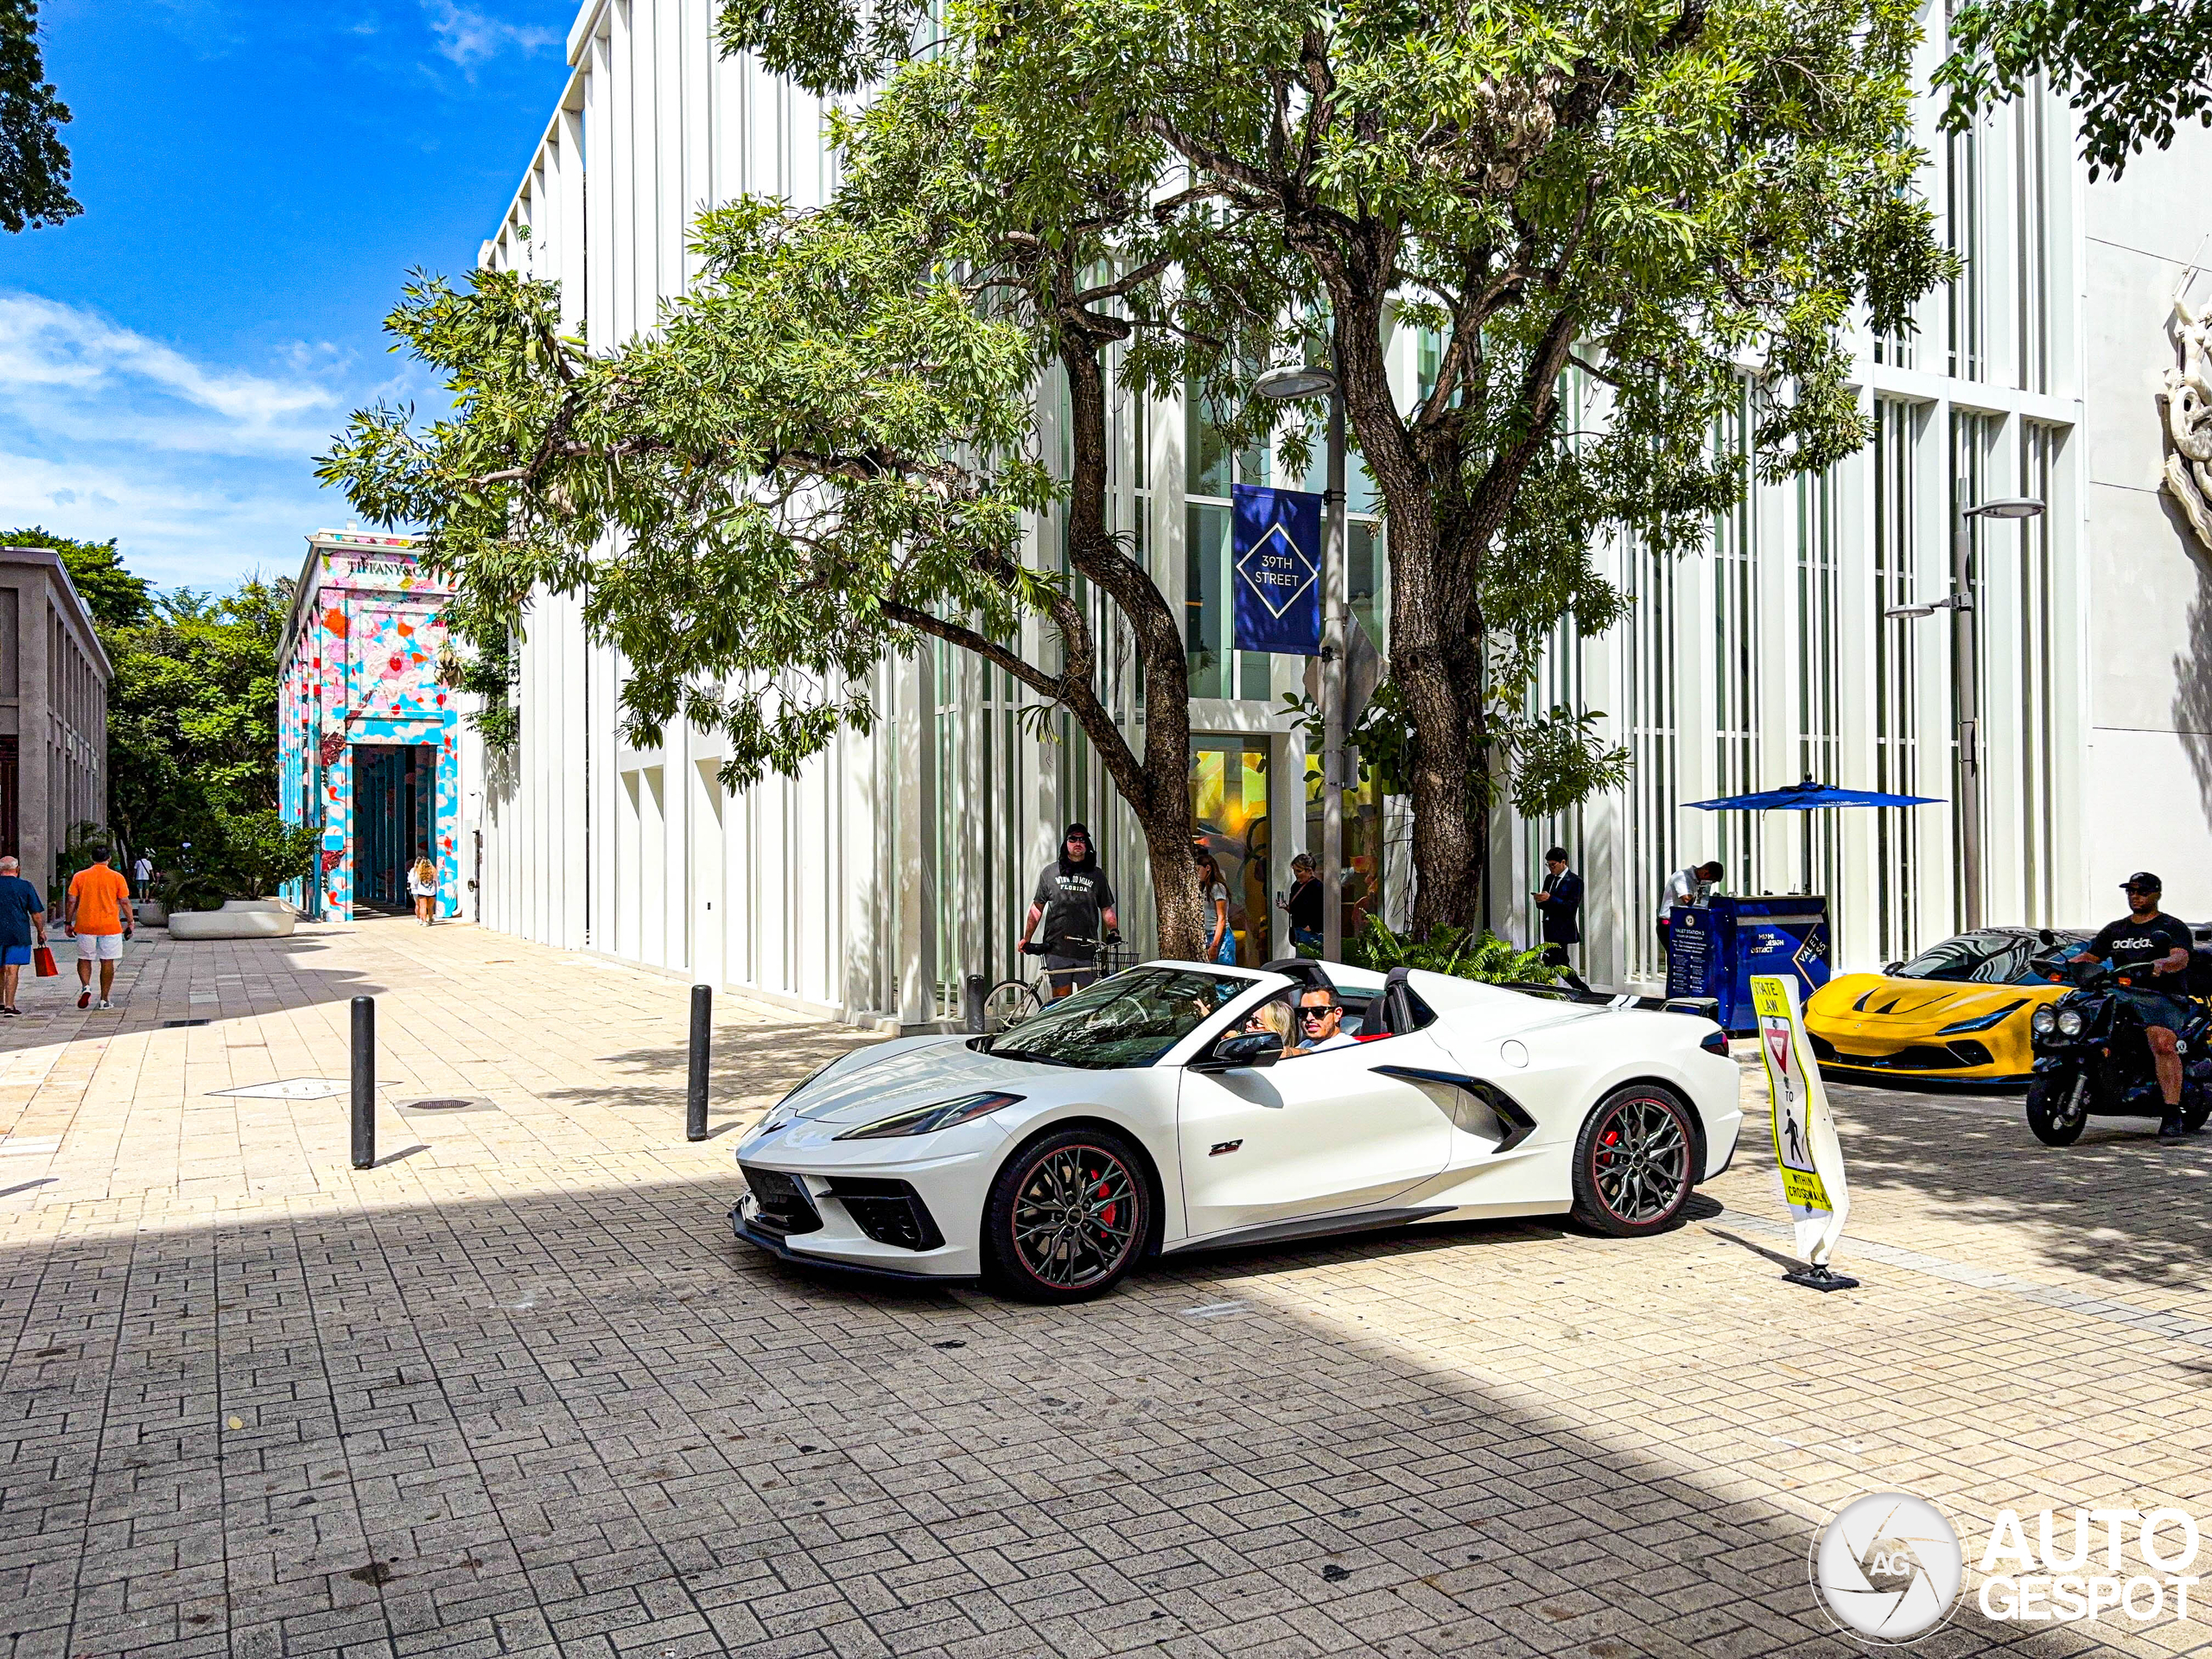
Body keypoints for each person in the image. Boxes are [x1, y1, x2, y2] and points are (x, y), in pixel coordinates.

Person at [2079, 871, 2196, 1139]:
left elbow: (2180, 957)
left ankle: (2172, 1111)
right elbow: (2091, 956)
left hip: (2162, 996)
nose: (2135, 896)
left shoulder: (2172, 927)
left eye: (2142, 891)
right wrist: (2065, 965)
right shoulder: (2116, 929)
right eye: (2131, 891)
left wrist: (2162, 965)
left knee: (2161, 1042)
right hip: (2122, 994)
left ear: (2156, 894)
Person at [1018, 823, 1119, 998]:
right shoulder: (1050, 873)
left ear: (1087, 845)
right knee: (1061, 1002)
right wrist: (1026, 938)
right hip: (1057, 949)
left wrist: (1114, 931)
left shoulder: (1097, 875)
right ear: (1066, 843)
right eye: (1073, 839)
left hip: (1087, 950)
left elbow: (1106, 908)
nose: (1077, 843)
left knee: (1084, 1003)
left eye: (1082, 839)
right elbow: (1037, 908)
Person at [66, 843, 133, 1011]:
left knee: (84, 958)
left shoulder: (80, 876)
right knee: (107, 961)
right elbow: (124, 901)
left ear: (92, 859)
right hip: (110, 926)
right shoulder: (117, 877)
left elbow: (72, 900)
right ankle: (104, 999)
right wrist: (130, 921)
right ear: (109, 859)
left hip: (85, 924)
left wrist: (68, 922)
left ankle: (86, 986)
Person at [1533, 846, 1590, 993]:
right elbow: (1544, 906)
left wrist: (1550, 899)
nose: (1551, 868)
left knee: (1553, 961)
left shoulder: (1575, 881)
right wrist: (1540, 900)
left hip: (1563, 927)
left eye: (1553, 865)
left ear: (1563, 862)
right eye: (1548, 865)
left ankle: (1580, 989)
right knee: (1558, 962)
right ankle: (1580, 990)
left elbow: (1571, 907)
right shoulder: (1549, 879)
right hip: (1549, 925)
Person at [0, 856, 48, 1017]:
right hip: (18, 933)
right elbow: (36, 914)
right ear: (17, 869)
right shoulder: (25, 886)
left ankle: (0, 1002)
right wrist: (41, 931)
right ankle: (9, 1005)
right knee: (11, 969)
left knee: (0, 969)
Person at [1657, 860, 1725, 960]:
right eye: (1711, 880)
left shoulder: (1697, 882)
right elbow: (1687, 900)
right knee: (1677, 958)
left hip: (1686, 925)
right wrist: (1701, 894)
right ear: (1706, 873)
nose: (1709, 883)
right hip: (1669, 924)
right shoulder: (1682, 877)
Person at [1195, 846, 1236, 965]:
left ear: (1208, 868)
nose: (1197, 874)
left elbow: (1221, 918)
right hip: (1208, 933)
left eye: (1198, 870)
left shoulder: (1217, 887)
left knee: (1224, 971)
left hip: (1219, 935)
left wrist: (1215, 944)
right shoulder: (1204, 888)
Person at [1288, 987, 1357, 1054]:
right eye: (1303, 1012)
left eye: (1318, 1011)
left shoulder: (1347, 1045)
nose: (1309, 1018)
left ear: (1337, 1014)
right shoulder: (1306, 1043)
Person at [1280, 853, 1324, 954]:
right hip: (1297, 930)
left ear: (1309, 871)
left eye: (1299, 871)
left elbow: (1321, 911)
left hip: (1310, 933)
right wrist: (1285, 906)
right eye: (1294, 871)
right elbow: (1294, 909)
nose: (1296, 874)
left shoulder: (1317, 887)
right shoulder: (1295, 886)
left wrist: (1311, 927)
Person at [408, 854, 439, 926]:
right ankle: (431, 919)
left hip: (422, 892)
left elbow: (415, 881)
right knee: (430, 907)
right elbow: (436, 879)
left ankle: (424, 921)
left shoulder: (419, 871)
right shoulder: (433, 871)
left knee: (423, 907)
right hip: (432, 891)